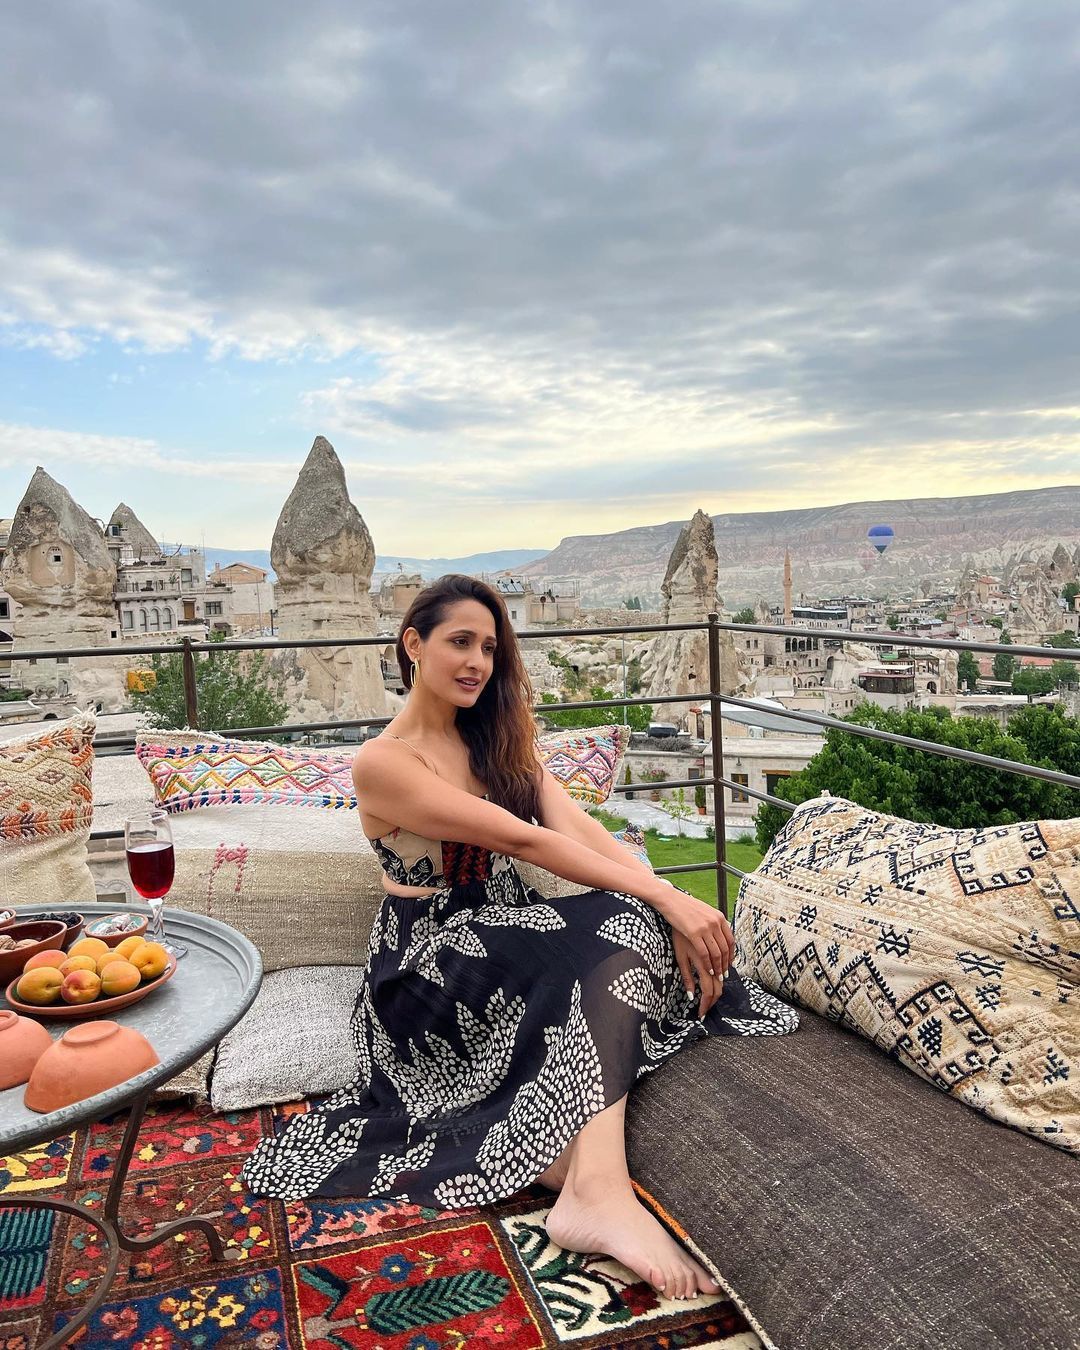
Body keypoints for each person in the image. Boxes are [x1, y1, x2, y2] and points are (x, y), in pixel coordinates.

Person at [243, 574, 797, 1300]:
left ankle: (575, 1173)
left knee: (625, 919)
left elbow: (576, 826)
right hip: (428, 962)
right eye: (460, 642)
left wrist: (665, 900)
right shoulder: (384, 762)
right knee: (613, 929)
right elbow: (524, 841)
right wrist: (667, 895)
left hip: (508, 927)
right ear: (413, 645)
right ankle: (598, 1196)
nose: (478, 662)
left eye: (490, 648)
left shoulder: (494, 739)